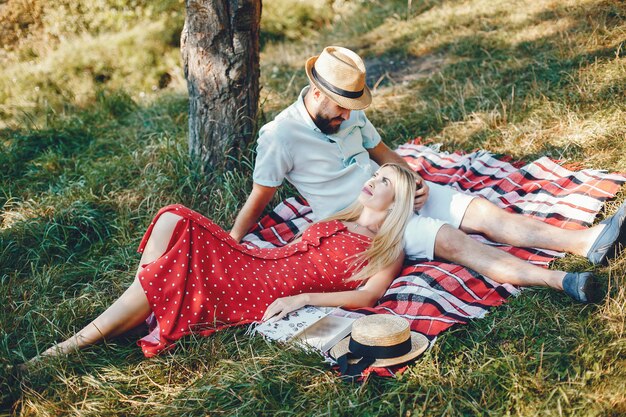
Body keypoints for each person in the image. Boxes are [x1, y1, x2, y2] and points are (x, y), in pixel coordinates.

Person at [229, 45, 626, 304]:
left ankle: (586, 242)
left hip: (396, 190)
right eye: (341, 108)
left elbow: (383, 153)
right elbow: (258, 198)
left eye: (351, 107)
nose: (348, 116)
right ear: (317, 94)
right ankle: (562, 281)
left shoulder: (349, 111)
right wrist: (233, 245)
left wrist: (413, 179)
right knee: (454, 241)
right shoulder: (280, 136)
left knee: (485, 213)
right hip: (367, 224)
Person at [28, 164, 418, 360]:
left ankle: (68, 348)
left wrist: (303, 300)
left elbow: (368, 296)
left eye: (385, 181)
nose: (373, 179)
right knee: (173, 216)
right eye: (376, 173)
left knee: (175, 240)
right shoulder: (339, 217)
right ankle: (146, 306)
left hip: (268, 287)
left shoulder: (388, 248)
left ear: (397, 201)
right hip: (257, 261)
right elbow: (292, 253)